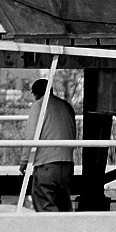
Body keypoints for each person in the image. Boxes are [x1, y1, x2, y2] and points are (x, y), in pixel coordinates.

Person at [20, 79, 77, 212]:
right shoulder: (66, 106)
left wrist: (24, 161)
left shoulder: (38, 106)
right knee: (64, 206)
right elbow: (73, 133)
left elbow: (31, 136)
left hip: (46, 164)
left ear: (35, 94)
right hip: (67, 164)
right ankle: (68, 231)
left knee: (44, 204)